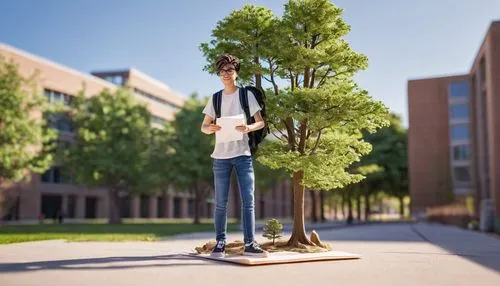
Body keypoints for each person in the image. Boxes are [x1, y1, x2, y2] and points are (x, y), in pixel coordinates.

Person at [201, 54, 268, 258]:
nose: (226, 74)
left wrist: (248, 127)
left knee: (248, 200)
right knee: (221, 202)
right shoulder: (216, 98)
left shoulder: (246, 95)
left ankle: (250, 243)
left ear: (236, 72)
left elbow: (261, 122)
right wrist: (210, 128)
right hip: (220, 156)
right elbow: (203, 127)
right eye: (222, 71)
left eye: (229, 70)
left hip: (242, 154)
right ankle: (220, 242)